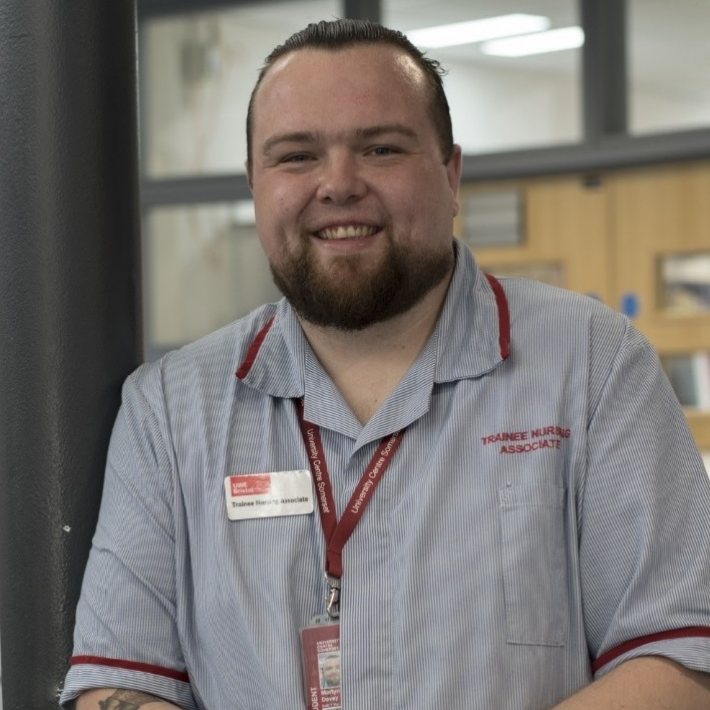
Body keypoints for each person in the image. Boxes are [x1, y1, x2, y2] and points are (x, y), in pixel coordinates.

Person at [62, 18, 710, 710]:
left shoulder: (592, 364)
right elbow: (119, 683)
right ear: (254, 183)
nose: (338, 184)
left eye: (380, 148)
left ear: (451, 173)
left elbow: (681, 658)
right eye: (296, 156)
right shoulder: (168, 410)